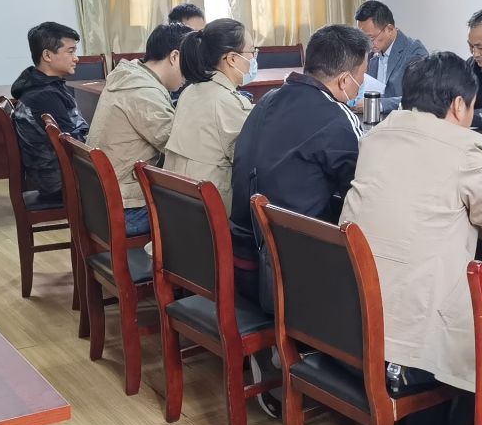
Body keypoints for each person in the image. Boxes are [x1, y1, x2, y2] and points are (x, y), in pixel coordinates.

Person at [341, 51, 482, 425]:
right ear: (459, 106)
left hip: (357, 315)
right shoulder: (461, 149)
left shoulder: (376, 136)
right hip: (410, 335)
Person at [228, 23, 370, 306]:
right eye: (361, 76)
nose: (362, 83)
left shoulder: (266, 101)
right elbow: (363, 191)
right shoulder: (336, 117)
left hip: (242, 263)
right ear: (344, 80)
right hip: (290, 279)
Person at [88, 22, 186, 237]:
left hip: (99, 200)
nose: (190, 74)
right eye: (190, 64)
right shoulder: (143, 92)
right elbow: (177, 148)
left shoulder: (129, 76)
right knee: (204, 215)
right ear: (175, 56)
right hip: (124, 209)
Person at [165, 18, 255, 202]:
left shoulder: (190, 91)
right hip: (212, 209)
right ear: (232, 58)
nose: (254, 59)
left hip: (179, 204)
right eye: (252, 52)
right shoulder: (226, 102)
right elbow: (252, 160)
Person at [10, 20, 88, 207]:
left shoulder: (44, 86)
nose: (76, 58)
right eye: (70, 51)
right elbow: (74, 145)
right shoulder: (44, 96)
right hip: (60, 182)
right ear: (47, 55)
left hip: (56, 175)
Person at [354, 0, 427, 114]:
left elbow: (420, 98)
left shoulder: (414, 52)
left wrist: (376, 104)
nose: (367, 44)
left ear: (389, 29)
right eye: (363, 38)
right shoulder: (370, 53)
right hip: (370, 120)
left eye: (371, 38)